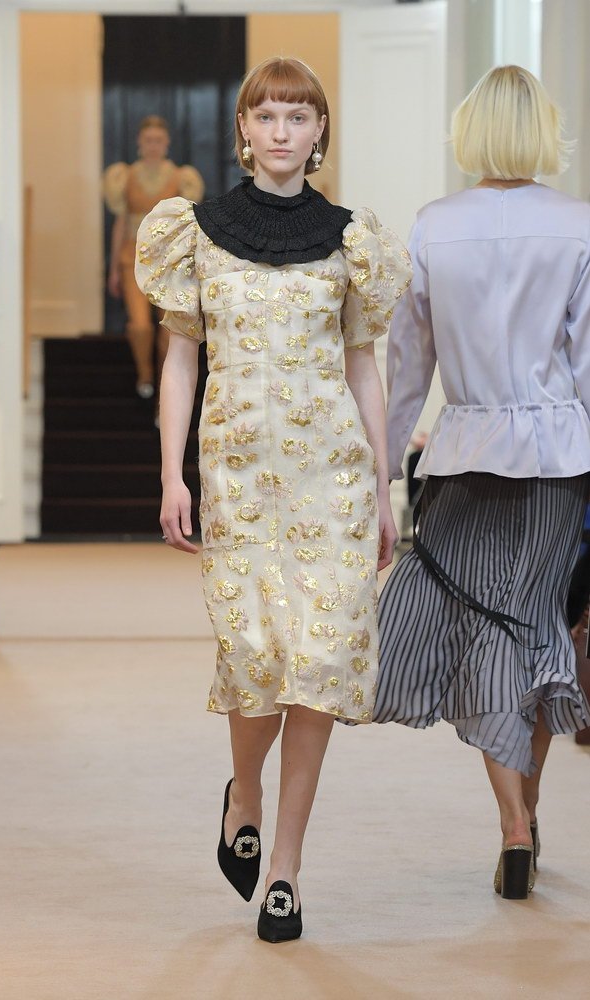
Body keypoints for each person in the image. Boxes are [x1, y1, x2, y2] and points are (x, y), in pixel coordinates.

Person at [135, 57, 411, 941]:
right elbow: (182, 358)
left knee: (319, 663)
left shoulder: (350, 238)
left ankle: (284, 869)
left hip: (333, 480)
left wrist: (383, 487)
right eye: (267, 115)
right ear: (244, 130)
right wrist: (172, 472)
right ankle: (243, 795)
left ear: (319, 131)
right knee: (254, 657)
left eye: (298, 115)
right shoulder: (196, 231)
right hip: (239, 478)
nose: (282, 130)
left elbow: (363, 365)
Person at [373, 65, 590, 900]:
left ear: (469, 131)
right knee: (534, 624)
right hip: (556, 460)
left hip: (463, 451)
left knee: (481, 625)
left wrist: (383, 467)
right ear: (541, 131)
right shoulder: (576, 224)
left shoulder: (433, 225)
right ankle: (527, 810)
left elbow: (407, 366)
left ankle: (511, 824)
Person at [104, 115, 204, 405]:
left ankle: (165, 392)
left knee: (168, 330)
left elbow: (188, 225)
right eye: (148, 140)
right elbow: (120, 223)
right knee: (139, 325)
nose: (153, 145)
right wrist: (113, 268)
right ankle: (145, 374)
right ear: (140, 141)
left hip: (169, 261)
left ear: (167, 142)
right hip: (132, 257)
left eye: (158, 140)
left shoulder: (181, 177)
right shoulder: (124, 177)